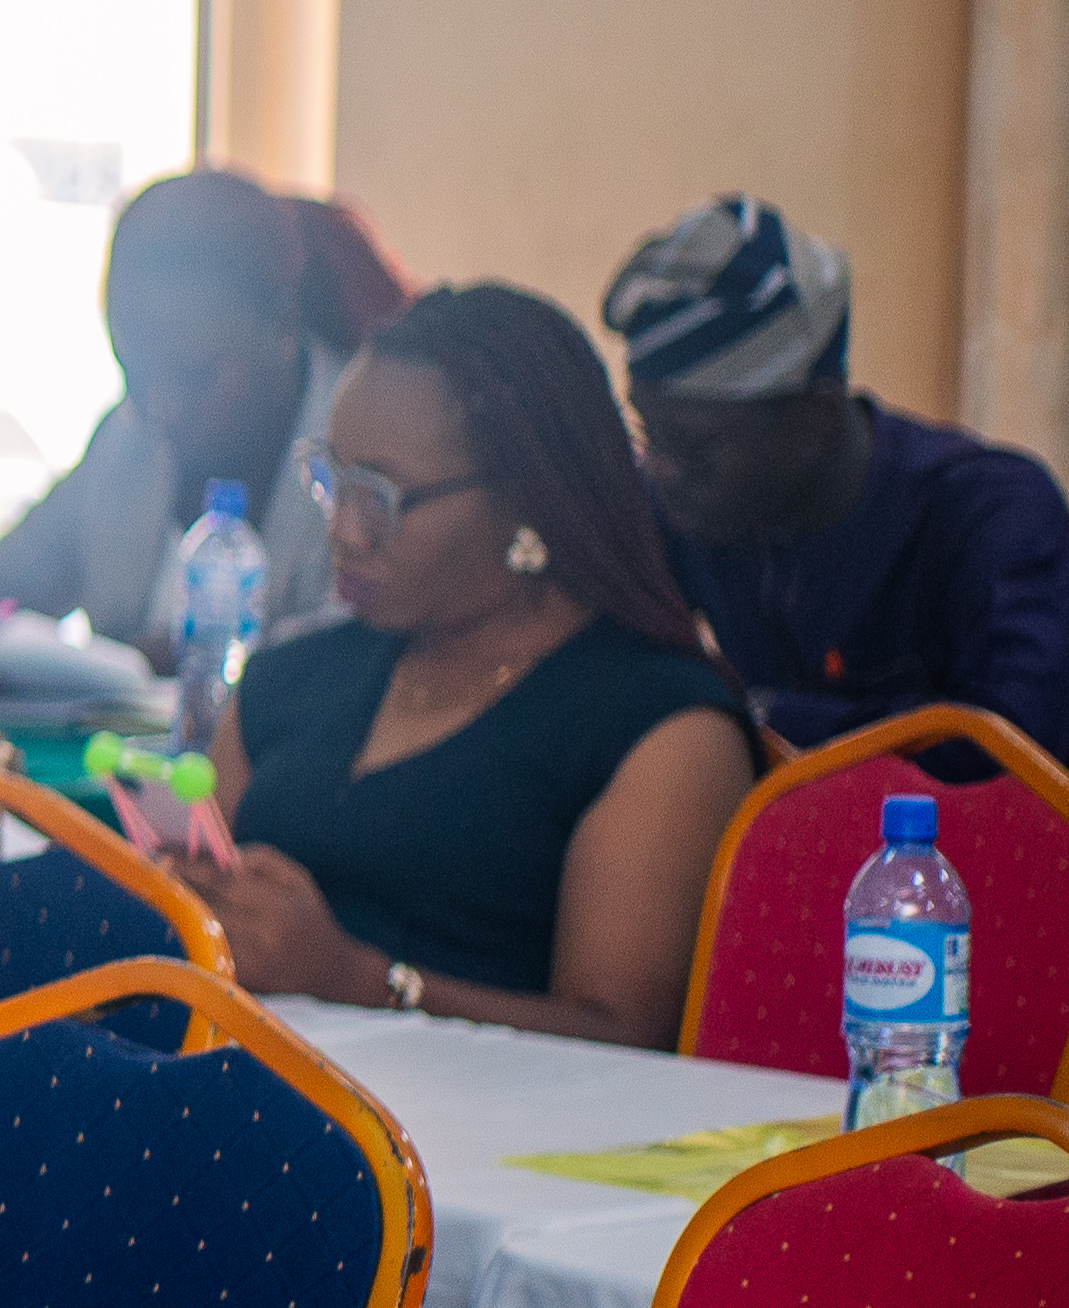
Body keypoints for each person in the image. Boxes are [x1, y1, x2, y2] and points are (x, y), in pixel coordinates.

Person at [208, 286, 758, 1048]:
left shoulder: (653, 725)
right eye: (330, 479)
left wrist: (359, 981)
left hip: (498, 1146)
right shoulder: (286, 682)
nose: (342, 531)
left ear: (522, 497)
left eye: (379, 495)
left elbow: (625, 1038)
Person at [609, 193, 1069, 762]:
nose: (661, 468)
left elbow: (1013, 745)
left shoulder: (991, 513)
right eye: (647, 432)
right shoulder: (680, 505)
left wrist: (762, 718)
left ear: (813, 416)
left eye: (697, 447)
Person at [0, 167, 408, 662]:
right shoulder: (127, 441)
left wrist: (176, 660)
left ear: (281, 328)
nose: (161, 410)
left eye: (195, 377)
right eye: (136, 379)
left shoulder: (368, 464)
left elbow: (356, 666)